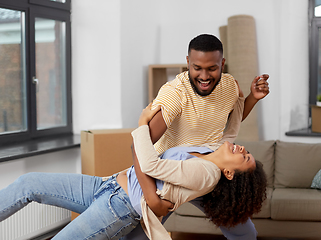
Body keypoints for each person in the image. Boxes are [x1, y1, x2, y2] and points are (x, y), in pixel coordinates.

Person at [0, 98, 267, 240]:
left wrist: (141, 124)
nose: (244, 150)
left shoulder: (205, 174)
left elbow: (151, 165)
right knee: (29, 183)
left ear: (230, 174)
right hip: (106, 185)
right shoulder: (211, 150)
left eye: (245, 159)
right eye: (248, 151)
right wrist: (250, 98)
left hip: (119, 208)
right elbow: (231, 130)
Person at [128, 33, 270, 240]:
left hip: (208, 169)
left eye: (212, 68)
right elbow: (138, 146)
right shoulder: (175, 94)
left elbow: (234, 119)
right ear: (188, 62)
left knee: (246, 233)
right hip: (170, 174)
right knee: (141, 235)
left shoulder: (229, 86)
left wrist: (252, 98)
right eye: (197, 68)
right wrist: (151, 197)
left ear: (222, 63)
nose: (204, 76)